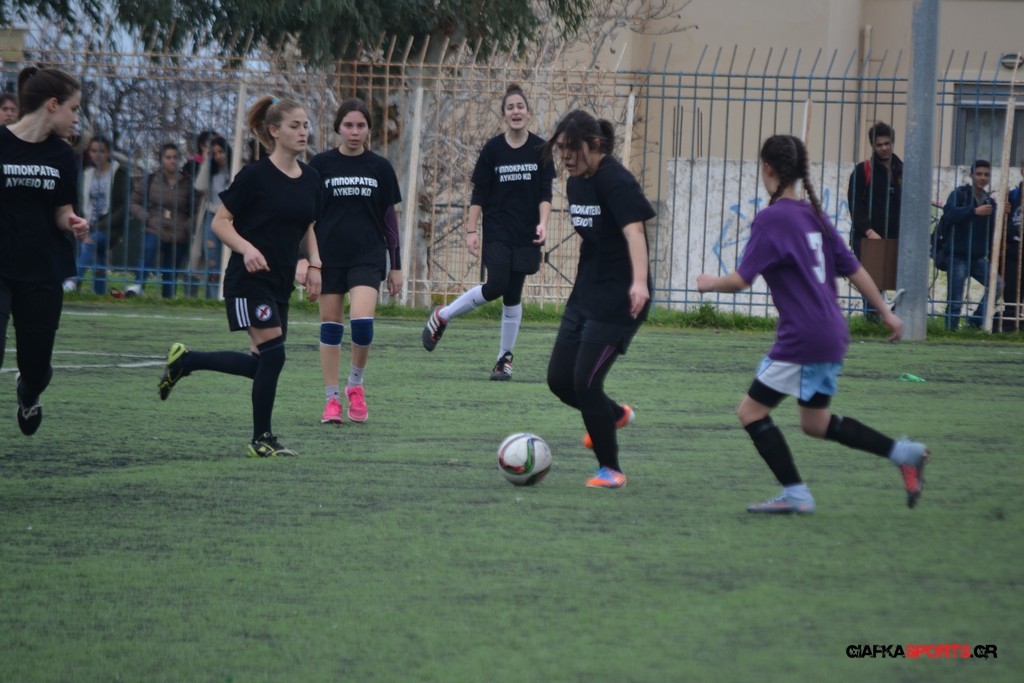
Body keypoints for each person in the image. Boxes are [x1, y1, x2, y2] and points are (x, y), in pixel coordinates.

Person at [696, 134, 928, 513]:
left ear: (767, 169)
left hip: (804, 337)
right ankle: (903, 453)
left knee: (750, 412)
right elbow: (854, 268)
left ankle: (797, 495)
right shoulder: (813, 215)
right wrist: (886, 311)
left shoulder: (771, 219)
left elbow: (741, 280)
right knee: (815, 423)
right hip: (832, 333)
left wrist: (709, 283)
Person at [157, 96, 322, 458]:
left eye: (306, 125)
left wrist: (315, 265)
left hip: (279, 282)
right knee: (274, 357)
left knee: (263, 363)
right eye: (295, 125)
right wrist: (246, 249)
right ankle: (261, 439)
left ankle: (186, 362)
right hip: (248, 281)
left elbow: (308, 226)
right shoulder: (255, 176)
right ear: (274, 131)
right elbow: (220, 222)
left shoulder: (311, 178)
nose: (303, 131)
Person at [539, 110, 655, 490]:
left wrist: (640, 283)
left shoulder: (615, 180)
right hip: (586, 292)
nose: (566, 157)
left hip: (621, 297)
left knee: (586, 382)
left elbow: (635, 233)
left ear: (594, 145)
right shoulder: (576, 183)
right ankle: (613, 414)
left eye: (572, 148)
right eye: (561, 149)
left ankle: (610, 470)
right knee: (560, 380)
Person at [422, 83, 555, 381]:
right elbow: (479, 193)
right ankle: (443, 315)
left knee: (513, 293)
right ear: (503, 115)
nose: (516, 111)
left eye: (520, 106)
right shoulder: (493, 150)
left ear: (529, 112)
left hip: (526, 233)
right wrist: (471, 230)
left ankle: (503, 360)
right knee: (496, 285)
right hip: (497, 231)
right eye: (510, 107)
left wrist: (543, 222)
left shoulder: (541, 149)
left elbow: (546, 193)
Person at [1, 66, 89, 436]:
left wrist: (73, 223)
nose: (77, 118)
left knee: (36, 369)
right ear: (53, 105)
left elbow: (62, 211)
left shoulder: (62, 155)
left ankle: (28, 393)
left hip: (42, 270)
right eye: (74, 109)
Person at [309, 98, 402, 423]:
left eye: (361, 125)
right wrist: (307, 261)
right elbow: (306, 218)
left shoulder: (380, 167)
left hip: (367, 256)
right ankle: (331, 399)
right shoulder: (320, 164)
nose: (354, 131)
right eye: (348, 125)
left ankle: (355, 385)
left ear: (368, 130)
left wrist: (396, 265)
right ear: (338, 127)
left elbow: (390, 220)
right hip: (328, 257)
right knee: (331, 326)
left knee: (362, 324)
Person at [847, 122, 903, 318]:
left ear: (893, 143)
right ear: (873, 146)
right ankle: (872, 324)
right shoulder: (863, 170)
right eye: (879, 145)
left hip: (896, 237)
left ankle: (894, 319)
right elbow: (855, 204)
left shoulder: (902, 170)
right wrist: (869, 231)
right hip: (868, 238)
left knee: (902, 283)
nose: (884, 148)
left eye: (887, 143)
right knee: (872, 284)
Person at [126, 143, 195, 298]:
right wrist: (147, 217)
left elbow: (197, 209)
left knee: (171, 271)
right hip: (155, 226)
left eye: (175, 157)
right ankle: (137, 285)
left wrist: (187, 226)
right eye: (168, 157)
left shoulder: (188, 183)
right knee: (148, 249)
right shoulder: (151, 180)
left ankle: (168, 297)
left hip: (179, 232)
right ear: (161, 159)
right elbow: (133, 202)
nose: (172, 161)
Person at [63, 136, 128, 294]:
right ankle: (99, 291)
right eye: (93, 151)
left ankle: (73, 281)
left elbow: (123, 206)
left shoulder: (118, 173)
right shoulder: (87, 174)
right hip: (89, 224)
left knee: (90, 243)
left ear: (108, 153)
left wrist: (102, 225)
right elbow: (81, 201)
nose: (97, 155)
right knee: (98, 252)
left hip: (110, 227)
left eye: (101, 151)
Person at [940, 160, 1000, 330]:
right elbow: (949, 214)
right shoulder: (959, 195)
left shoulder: (990, 201)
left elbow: (993, 229)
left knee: (998, 284)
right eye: (979, 174)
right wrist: (973, 211)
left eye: (986, 174)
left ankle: (974, 323)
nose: (983, 178)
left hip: (978, 257)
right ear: (971, 175)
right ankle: (950, 332)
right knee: (955, 300)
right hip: (957, 256)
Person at [190, 135, 231, 299]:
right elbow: (199, 186)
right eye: (214, 153)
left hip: (231, 219)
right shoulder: (211, 172)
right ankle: (213, 298)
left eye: (221, 151)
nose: (218, 156)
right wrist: (207, 161)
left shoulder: (236, 169)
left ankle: (226, 297)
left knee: (227, 259)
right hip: (211, 216)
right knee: (212, 258)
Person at [999, 166, 1023, 332]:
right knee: (1011, 290)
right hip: (1013, 248)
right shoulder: (1013, 195)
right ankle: (1010, 325)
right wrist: (1002, 211)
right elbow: (1001, 222)